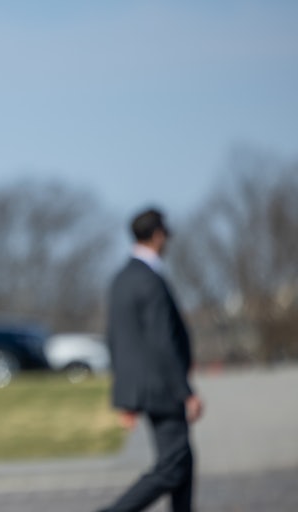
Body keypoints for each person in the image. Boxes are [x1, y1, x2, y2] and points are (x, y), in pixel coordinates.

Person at [98, 208, 203, 512]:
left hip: (143, 386)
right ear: (158, 235)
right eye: (166, 234)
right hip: (162, 386)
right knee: (173, 464)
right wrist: (186, 391)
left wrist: (127, 393)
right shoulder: (150, 279)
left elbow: (115, 338)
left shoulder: (120, 278)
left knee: (182, 459)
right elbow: (162, 341)